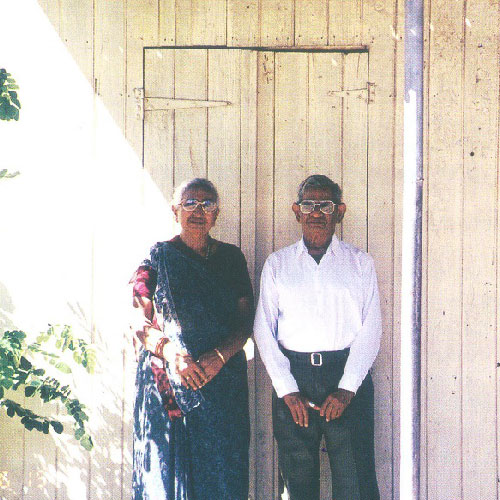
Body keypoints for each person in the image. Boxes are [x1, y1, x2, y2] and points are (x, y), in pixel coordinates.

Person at [254, 174, 381, 500]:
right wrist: (287, 390)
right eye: (309, 205)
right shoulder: (277, 264)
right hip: (294, 379)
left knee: (356, 482)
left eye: (325, 205)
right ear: (296, 211)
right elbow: (263, 331)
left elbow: (371, 330)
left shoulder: (359, 263)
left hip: (345, 377)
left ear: (340, 211)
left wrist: (347, 388)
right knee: (298, 483)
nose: (316, 213)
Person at [129, 178, 253, 500]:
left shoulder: (231, 259)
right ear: (175, 211)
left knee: (222, 471)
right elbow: (138, 322)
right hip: (168, 382)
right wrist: (173, 355)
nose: (199, 211)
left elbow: (245, 322)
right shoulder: (157, 257)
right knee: (166, 468)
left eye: (207, 204)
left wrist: (220, 357)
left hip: (222, 382)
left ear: (217, 213)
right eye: (190, 203)